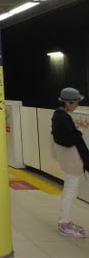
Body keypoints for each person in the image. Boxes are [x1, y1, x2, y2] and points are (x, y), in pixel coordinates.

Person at [51, 87, 89, 238]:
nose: (77, 106)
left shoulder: (59, 116)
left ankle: (64, 220)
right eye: (76, 103)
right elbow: (67, 139)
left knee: (69, 190)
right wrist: (79, 132)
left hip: (69, 160)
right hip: (72, 161)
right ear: (68, 103)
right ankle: (64, 222)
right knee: (70, 191)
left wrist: (77, 130)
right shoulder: (62, 118)